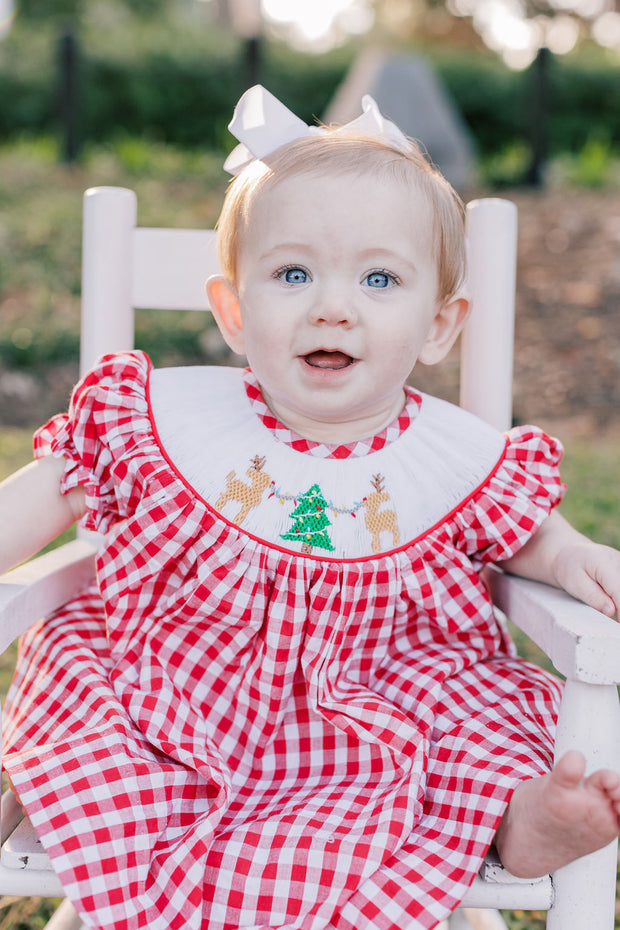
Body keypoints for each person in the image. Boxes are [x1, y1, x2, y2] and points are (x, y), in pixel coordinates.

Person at [1, 85, 620, 930]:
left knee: (486, 721)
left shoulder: (454, 453)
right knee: (84, 696)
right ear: (233, 309)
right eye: (292, 273)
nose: (333, 304)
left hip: (395, 696)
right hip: (178, 694)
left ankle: (523, 820)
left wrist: (573, 553)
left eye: (378, 278)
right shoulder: (161, 421)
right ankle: (52, 792)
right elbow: (44, 497)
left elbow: (529, 537)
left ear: (439, 326)